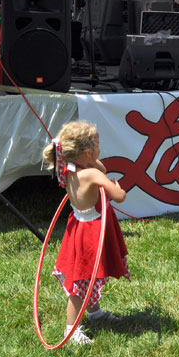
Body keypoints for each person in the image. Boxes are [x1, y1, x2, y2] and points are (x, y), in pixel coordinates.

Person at [42, 121, 130, 345]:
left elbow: (101, 168)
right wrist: (118, 187)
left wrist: (91, 159)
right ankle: (71, 330)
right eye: (97, 145)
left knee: (89, 276)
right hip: (92, 232)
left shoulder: (68, 170)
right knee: (80, 282)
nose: (101, 148)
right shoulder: (91, 174)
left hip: (78, 228)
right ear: (89, 152)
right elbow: (118, 196)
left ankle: (95, 312)